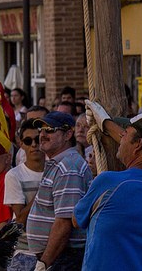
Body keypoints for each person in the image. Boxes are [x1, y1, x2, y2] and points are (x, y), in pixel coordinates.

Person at [74, 101, 142, 269]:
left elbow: (76, 219)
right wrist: (106, 124)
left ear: (138, 145)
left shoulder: (108, 183)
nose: (120, 138)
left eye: (125, 135)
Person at [26, 111, 92, 271]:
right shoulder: (60, 164)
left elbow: (64, 222)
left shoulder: (68, 168)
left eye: (49, 130)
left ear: (68, 134)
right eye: (41, 130)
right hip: (57, 257)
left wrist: (44, 263)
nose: (42, 135)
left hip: (64, 257)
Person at [4, 121, 45, 271]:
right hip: (25, 251)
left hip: (54, 251)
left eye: (38, 140)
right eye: (28, 141)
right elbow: (20, 219)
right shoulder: (14, 175)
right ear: (21, 144)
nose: (34, 145)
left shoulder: (56, 170)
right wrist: (43, 191)